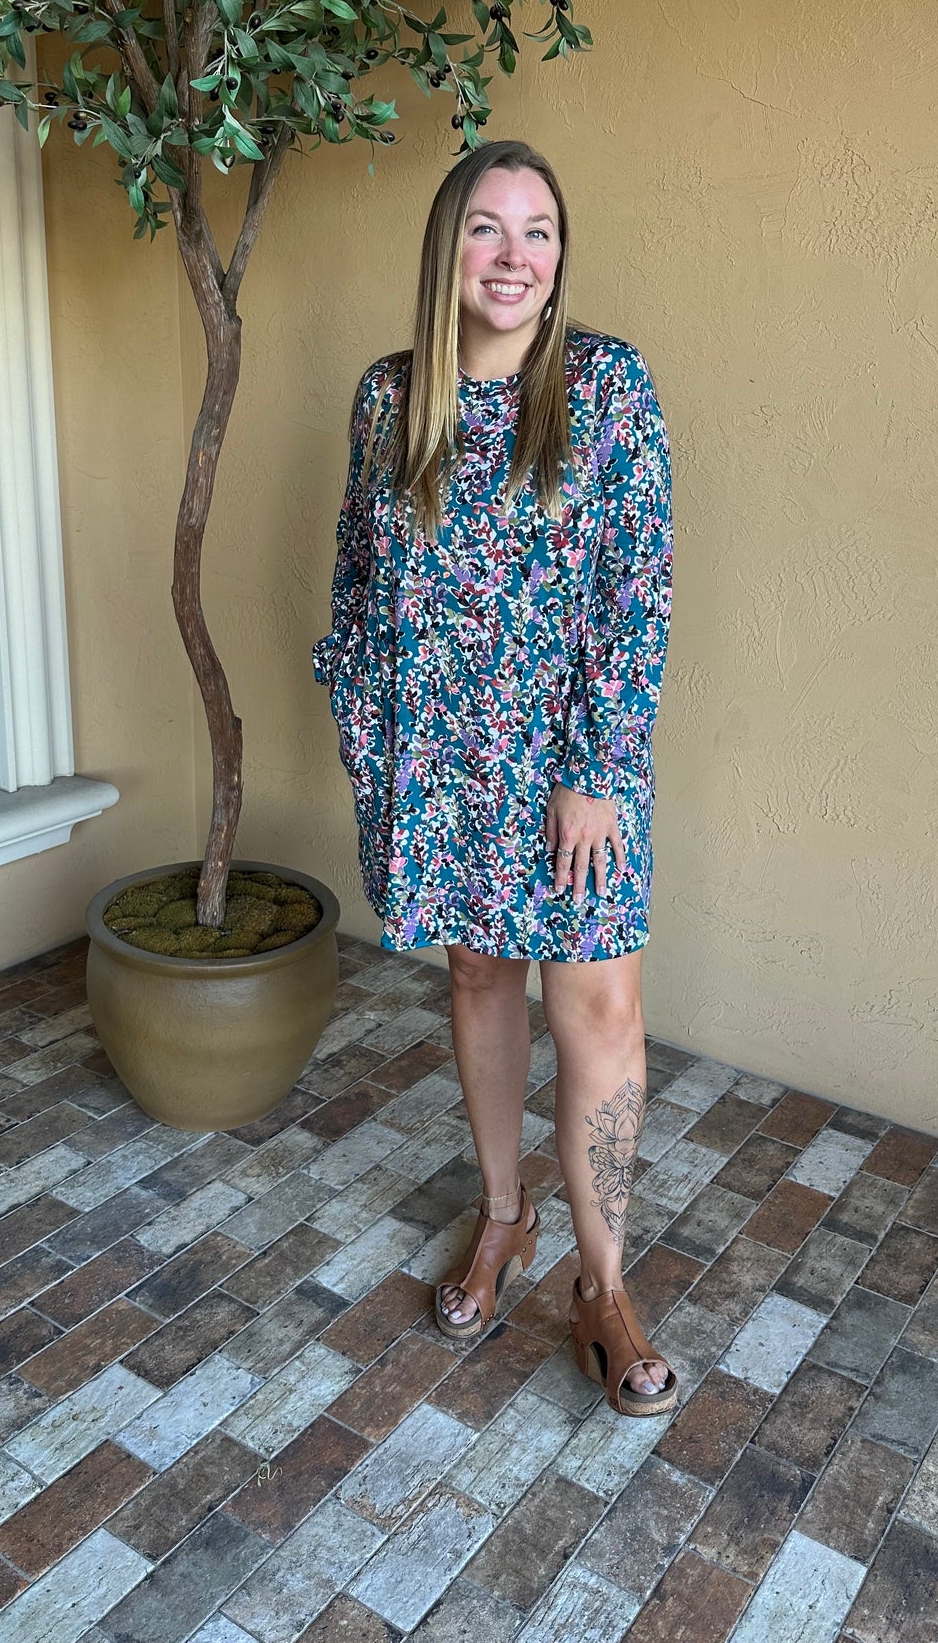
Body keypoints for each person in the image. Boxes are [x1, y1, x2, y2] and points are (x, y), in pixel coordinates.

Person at [312, 138, 677, 1416]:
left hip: (572, 766)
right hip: (439, 763)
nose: (513, 255)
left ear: (560, 253)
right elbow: (359, 579)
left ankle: (604, 1278)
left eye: (536, 230)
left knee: (600, 1015)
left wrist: (595, 769)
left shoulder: (606, 389)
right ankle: (504, 1218)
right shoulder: (386, 396)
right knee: (476, 975)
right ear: (446, 248)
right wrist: (370, 738)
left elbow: (637, 595)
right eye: (485, 227)